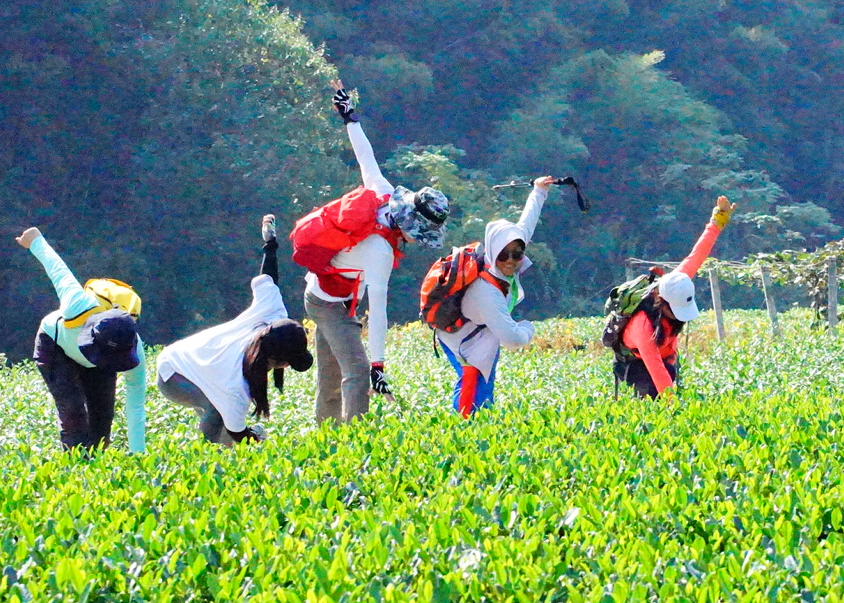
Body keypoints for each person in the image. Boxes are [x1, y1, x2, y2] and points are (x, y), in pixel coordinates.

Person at [295, 85, 449, 423]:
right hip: (328, 302)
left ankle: (327, 432)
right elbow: (378, 311)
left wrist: (350, 117)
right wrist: (378, 367)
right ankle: (353, 436)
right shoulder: (379, 250)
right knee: (357, 371)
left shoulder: (383, 194)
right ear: (411, 224)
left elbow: (366, 158)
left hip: (323, 290)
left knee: (332, 375)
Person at [154, 216, 314, 444]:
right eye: (288, 361)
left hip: (195, 359)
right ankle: (206, 455)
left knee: (226, 419)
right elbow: (239, 432)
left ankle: (220, 449)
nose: (287, 366)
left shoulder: (272, 315)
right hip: (173, 375)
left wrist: (270, 244)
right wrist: (257, 438)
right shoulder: (236, 385)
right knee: (217, 410)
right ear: (274, 358)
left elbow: (269, 279)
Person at [16, 227, 146, 452]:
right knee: (72, 412)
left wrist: (139, 455)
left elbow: (136, 406)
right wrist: (35, 240)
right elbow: (59, 271)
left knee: (101, 423)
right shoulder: (77, 304)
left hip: (95, 351)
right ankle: (74, 466)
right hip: (55, 344)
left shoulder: (131, 349)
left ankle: (93, 468)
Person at [435, 176, 557, 417]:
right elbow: (513, 339)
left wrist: (539, 191)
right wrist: (528, 327)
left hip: (481, 330)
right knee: (475, 387)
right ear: (493, 252)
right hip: (462, 335)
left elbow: (525, 226)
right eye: (504, 255)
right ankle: (464, 430)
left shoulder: (502, 258)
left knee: (483, 384)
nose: (511, 261)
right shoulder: (486, 291)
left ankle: (475, 424)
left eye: (517, 253)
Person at [613, 195, 735, 399]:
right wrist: (673, 406)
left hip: (665, 357)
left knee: (668, 379)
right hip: (637, 365)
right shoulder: (643, 325)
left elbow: (697, 254)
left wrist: (717, 221)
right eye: (675, 311)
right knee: (652, 397)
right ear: (662, 302)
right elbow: (656, 369)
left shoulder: (678, 282)